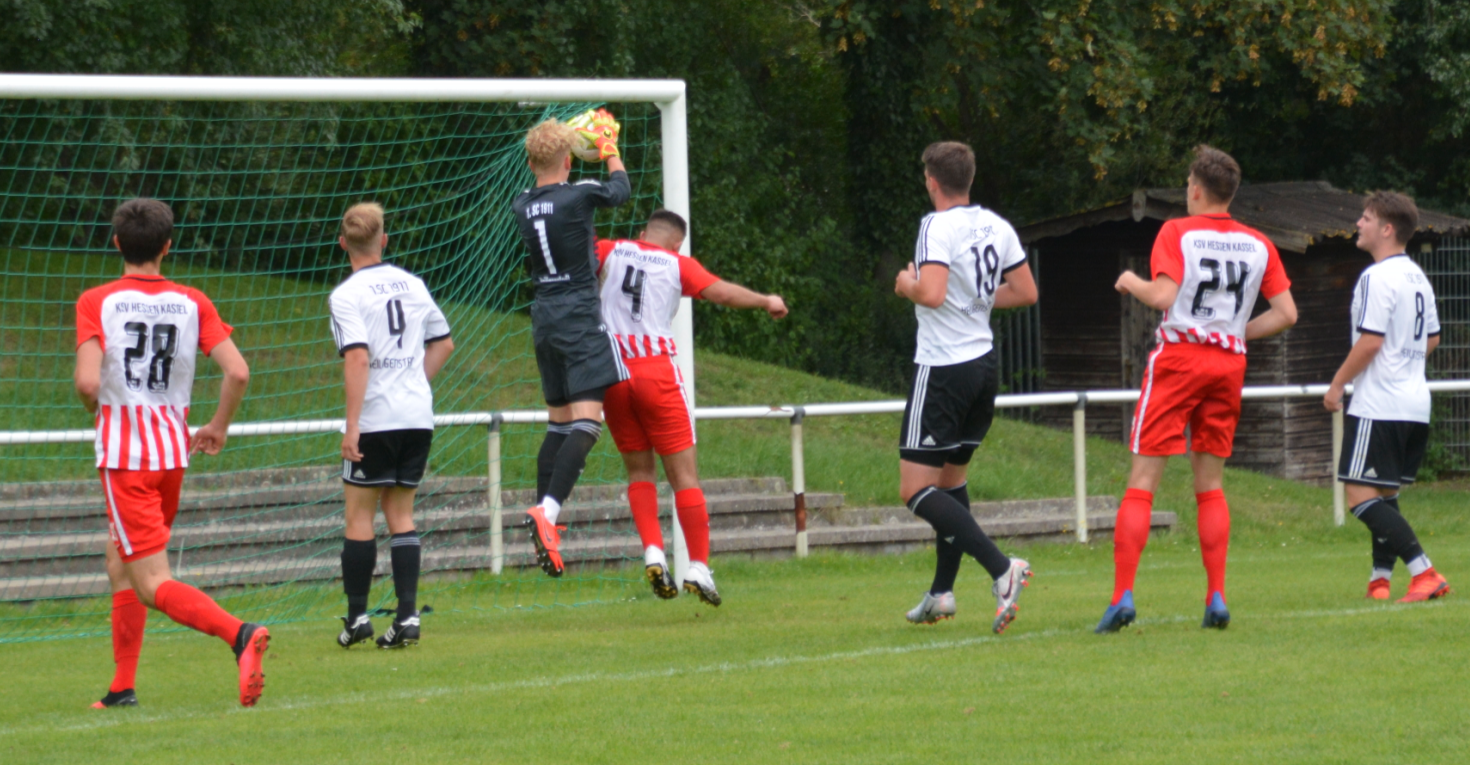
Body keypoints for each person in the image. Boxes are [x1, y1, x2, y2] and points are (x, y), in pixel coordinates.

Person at [75, 198, 268, 708]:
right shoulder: (192, 301)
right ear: (167, 246)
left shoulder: (97, 301)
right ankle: (122, 687)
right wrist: (218, 426)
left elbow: (88, 383)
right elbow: (238, 372)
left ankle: (240, 634)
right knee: (119, 561)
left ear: (117, 242)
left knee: (151, 582)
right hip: (171, 457)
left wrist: (97, 406)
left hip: (127, 462)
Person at [1098, 146, 1298, 633]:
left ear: (1194, 189)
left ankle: (1122, 596)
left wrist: (1131, 280)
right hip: (1228, 365)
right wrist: (1234, 332)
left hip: (1180, 359)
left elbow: (1163, 296)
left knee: (1143, 480)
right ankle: (1216, 597)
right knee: (1210, 485)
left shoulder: (1176, 232)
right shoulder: (1258, 244)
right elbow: (1287, 313)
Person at [595, 210, 788, 605]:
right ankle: (698, 566)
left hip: (611, 373)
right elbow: (722, 293)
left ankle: (653, 552)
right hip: (656, 372)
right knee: (684, 477)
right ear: (677, 243)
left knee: (639, 472)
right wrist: (765, 300)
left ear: (643, 233)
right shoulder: (677, 264)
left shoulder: (608, 250)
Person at [893, 141, 1039, 634]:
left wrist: (905, 285)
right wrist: (974, 301)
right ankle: (941, 593)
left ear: (931, 181)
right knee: (950, 484)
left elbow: (931, 294)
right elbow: (1026, 291)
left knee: (915, 490)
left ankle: (1002, 568)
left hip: (943, 369)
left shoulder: (936, 226)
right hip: (983, 366)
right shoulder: (996, 225)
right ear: (969, 179)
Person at [329, 203, 455, 649]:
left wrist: (352, 426)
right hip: (416, 416)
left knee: (359, 516)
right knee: (401, 515)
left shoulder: (346, 294)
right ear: (383, 240)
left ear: (343, 243)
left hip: (376, 420)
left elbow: (358, 358)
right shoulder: (414, 284)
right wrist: (413, 384)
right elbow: (444, 344)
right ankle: (407, 618)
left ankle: (357, 618)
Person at [511, 114, 631, 577]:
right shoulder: (579, 194)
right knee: (588, 423)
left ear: (529, 163)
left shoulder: (522, 203)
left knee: (558, 425)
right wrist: (607, 147)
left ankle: (545, 520)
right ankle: (548, 513)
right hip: (578, 315)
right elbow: (619, 190)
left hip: (544, 317)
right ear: (568, 159)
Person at [1324, 191, 1449, 603]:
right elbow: (1432, 338)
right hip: (1414, 402)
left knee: (1358, 495)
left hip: (1380, 404)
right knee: (1384, 494)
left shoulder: (1377, 277)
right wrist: (1404, 364)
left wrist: (1338, 384)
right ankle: (1380, 581)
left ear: (1387, 229)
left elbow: (1371, 342)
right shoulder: (1417, 277)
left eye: (1366, 218)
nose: (1358, 224)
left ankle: (1424, 571)